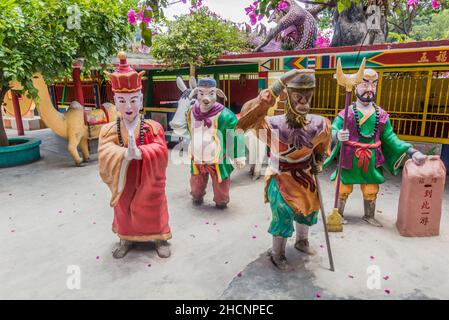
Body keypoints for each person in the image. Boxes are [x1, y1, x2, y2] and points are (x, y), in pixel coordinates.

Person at [237, 69, 331, 270]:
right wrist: (275, 88)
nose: (304, 103)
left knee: (308, 209)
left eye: (308, 97)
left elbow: (322, 146)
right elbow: (245, 118)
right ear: (288, 97)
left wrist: (319, 161)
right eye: (298, 97)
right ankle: (277, 253)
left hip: (306, 175)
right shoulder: (272, 125)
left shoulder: (320, 123)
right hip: (281, 176)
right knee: (283, 211)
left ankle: (301, 241)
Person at [324, 68, 427, 227]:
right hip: (350, 157)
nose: (370, 89)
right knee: (343, 186)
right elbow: (332, 130)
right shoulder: (347, 113)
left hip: (371, 159)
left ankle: (369, 215)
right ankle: (338, 213)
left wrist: (411, 151)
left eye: (374, 84)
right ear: (356, 86)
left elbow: (390, 138)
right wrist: (338, 135)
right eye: (365, 84)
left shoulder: (382, 115)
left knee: (371, 188)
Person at [98, 52, 171, 259]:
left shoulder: (153, 126)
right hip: (125, 175)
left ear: (140, 100)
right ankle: (126, 238)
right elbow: (104, 151)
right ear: (115, 102)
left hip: (149, 176)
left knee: (154, 204)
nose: (128, 107)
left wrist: (141, 152)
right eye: (121, 101)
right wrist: (123, 154)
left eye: (133, 100)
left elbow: (161, 150)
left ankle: (160, 237)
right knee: (124, 206)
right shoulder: (109, 129)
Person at [185, 78, 246, 209]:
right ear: (196, 94)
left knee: (221, 190)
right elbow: (189, 129)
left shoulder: (225, 115)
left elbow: (235, 134)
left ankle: (221, 202)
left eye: (211, 94)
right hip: (197, 159)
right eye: (201, 94)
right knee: (196, 186)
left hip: (218, 160)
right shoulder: (191, 113)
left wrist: (238, 155)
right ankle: (197, 196)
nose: (205, 98)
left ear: (217, 94)